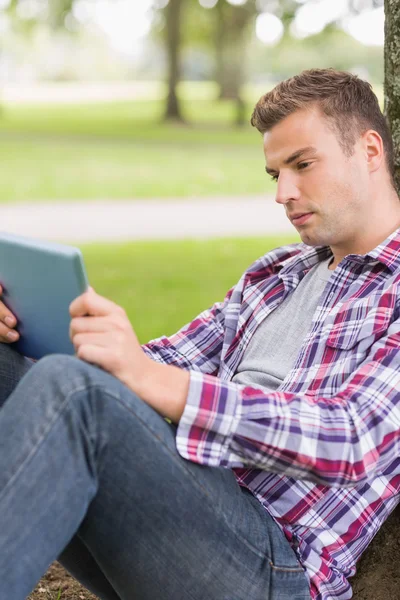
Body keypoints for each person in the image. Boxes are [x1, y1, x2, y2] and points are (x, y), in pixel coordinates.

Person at [1, 68, 400, 600]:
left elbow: (351, 443)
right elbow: (156, 367)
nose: (284, 193)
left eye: (302, 165)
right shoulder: (275, 275)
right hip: (182, 515)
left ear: (370, 151)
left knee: (75, 393)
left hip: (277, 567)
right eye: (275, 173)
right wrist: (31, 327)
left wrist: (143, 376)